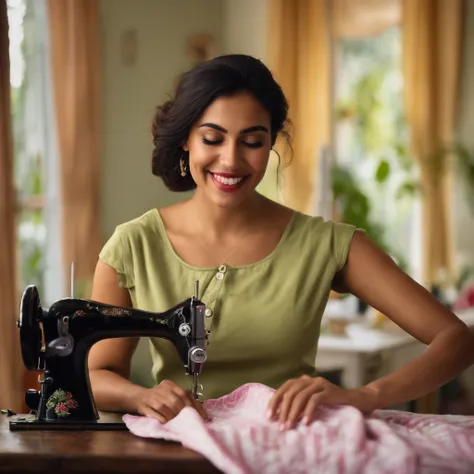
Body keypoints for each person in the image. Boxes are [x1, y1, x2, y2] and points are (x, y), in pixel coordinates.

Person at [88, 54, 474, 431]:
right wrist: (140, 397)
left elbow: (456, 340)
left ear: (271, 143)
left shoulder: (324, 243)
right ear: (187, 140)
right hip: (178, 453)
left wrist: (366, 394)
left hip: (292, 450)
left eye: (252, 142)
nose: (231, 159)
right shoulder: (134, 246)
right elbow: (97, 373)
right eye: (212, 138)